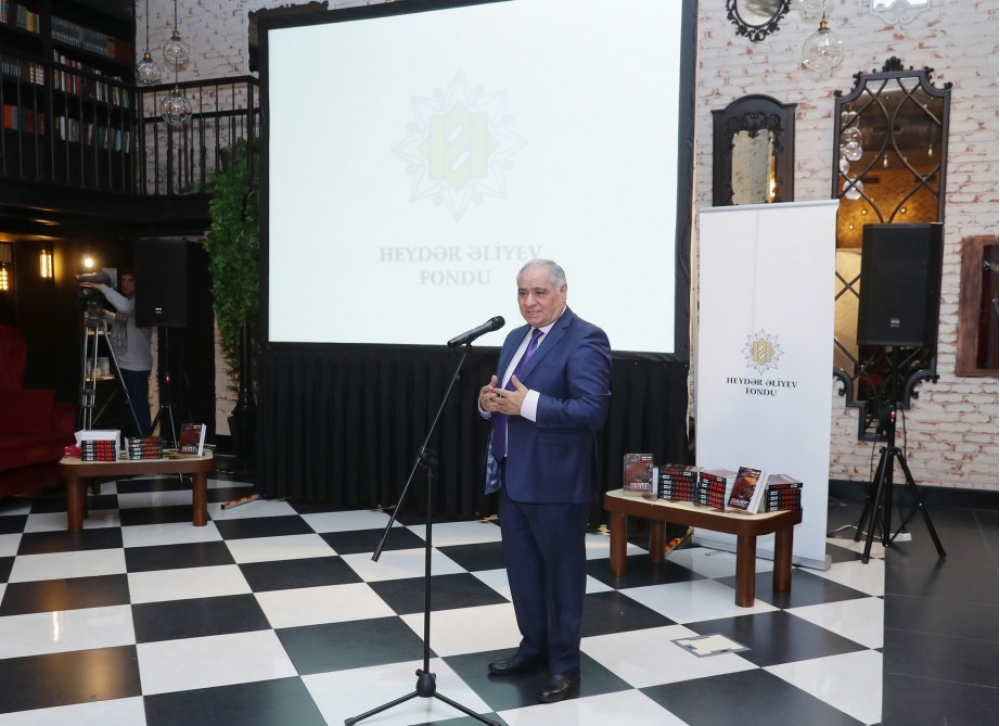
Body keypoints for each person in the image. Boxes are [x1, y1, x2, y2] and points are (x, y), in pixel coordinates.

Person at [478, 258, 612, 704]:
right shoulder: (514, 338)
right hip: (514, 476)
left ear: (562, 292)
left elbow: (593, 411)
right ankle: (533, 648)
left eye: (539, 292)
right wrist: (488, 402)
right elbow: (507, 399)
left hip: (556, 483)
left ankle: (564, 665)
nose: (529, 302)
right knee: (524, 575)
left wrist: (529, 405)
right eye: (522, 293)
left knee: (562, 577)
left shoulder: (586, 338)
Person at [80, 271, 153, 437]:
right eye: (123, 280)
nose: (125, 284)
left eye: (130, 280)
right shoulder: (127, 303)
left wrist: (102, 287)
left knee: (138, 409)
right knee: (127, 409)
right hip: (121, 364)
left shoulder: (142, 303)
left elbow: (127, 310)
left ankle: (143, 442)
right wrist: (104, 314)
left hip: (135, 366)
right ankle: (131, 440)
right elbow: (122, 320)